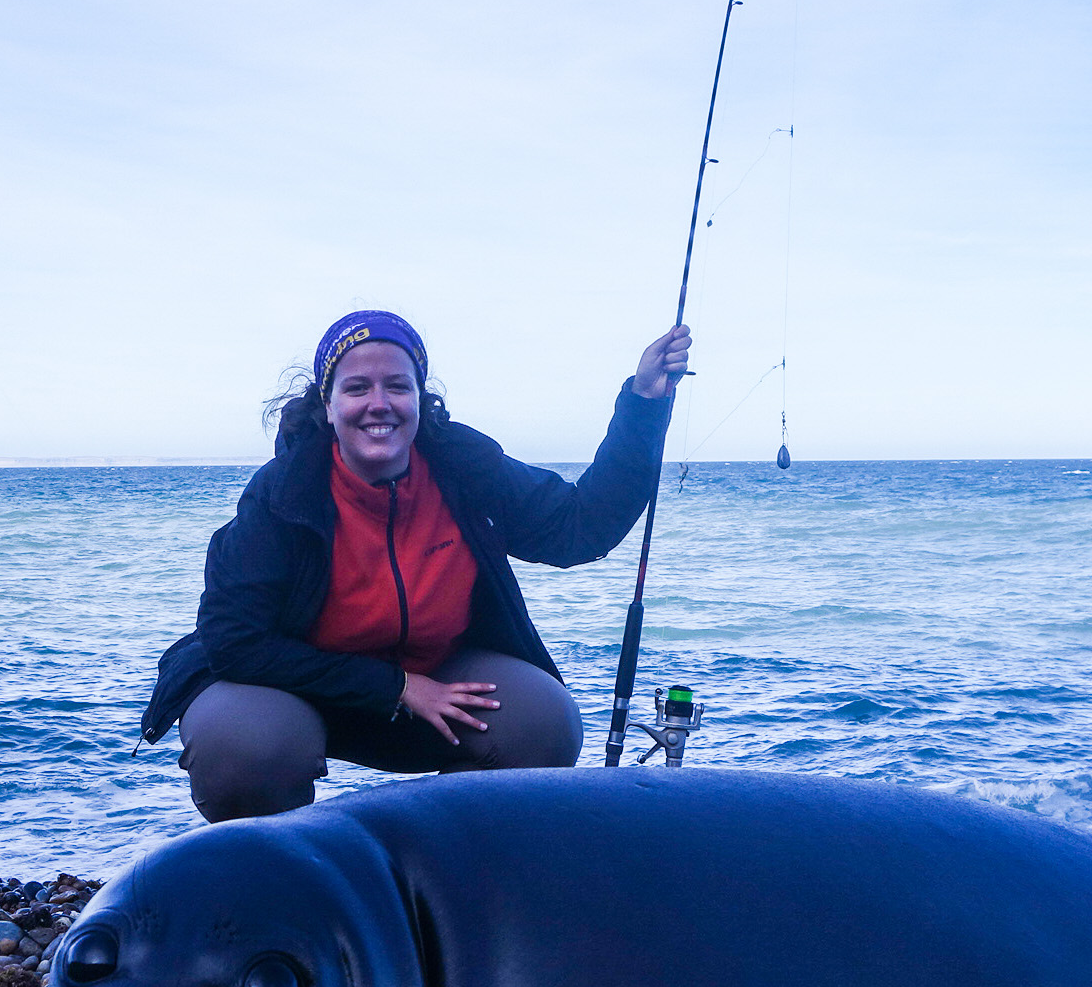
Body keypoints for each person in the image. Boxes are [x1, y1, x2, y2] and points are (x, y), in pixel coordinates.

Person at [139, 309, 690, 820]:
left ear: (419, 400)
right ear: (327, 406)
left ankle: (448, 870)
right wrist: (395, 686)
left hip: (435, 684)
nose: (379, 403)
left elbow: (577, 528)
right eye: (357, 387)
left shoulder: (460, 464)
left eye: (397, 386)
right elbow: (233, 641)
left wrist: (643, 403)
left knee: (544, 724)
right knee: (244, 753)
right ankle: (276, 883)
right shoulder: (281, 494)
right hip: (291, 693)